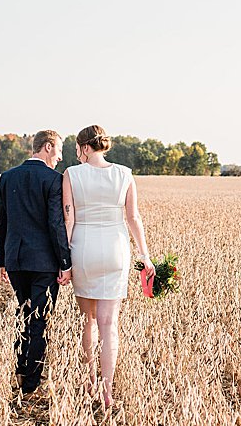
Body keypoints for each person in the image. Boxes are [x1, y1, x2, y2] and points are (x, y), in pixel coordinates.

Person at [63, 124, 155, 409]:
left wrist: (64, 262)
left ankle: (90, 381)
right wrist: (145, 254)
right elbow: (133, 217)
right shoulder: (125, 174)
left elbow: (69, 219)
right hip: (116, 250)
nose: (77, 154)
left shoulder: (71, 174)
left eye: (78, 149)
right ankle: (107, 392)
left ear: (85, 148)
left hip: (84, 250)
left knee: (88, 321)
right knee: (109, 324)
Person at [0, 130, 72, 396]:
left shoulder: (7, 177)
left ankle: (19, 369)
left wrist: (2, 260)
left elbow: (1, 222)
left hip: (15, 259)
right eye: (59, 150)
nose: (60, 157)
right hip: (44, 263)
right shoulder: (54, 180)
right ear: (48, 147)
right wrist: (65, 261)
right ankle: (30, 382)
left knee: (24, 314)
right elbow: (56, 224)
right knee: (40, 319)